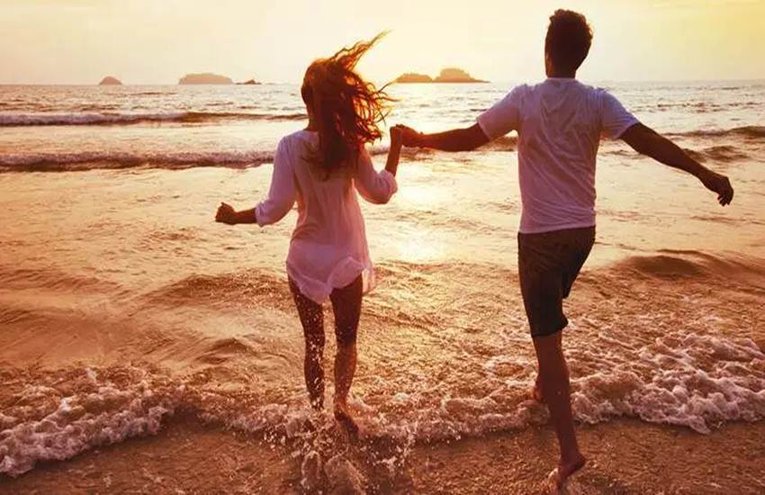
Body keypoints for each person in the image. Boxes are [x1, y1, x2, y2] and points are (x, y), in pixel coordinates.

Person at [398, 9, 734, 487]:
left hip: (539, 240)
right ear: (580, 56)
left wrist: (420, 140)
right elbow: (646, 141)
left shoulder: (526, 99)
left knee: (548, 340)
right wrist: (704, 173)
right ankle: (543, 385)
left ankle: (570, 452)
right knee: (549, 321)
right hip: (582, 236)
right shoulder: (598, 101)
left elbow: (471, 138)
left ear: (547, 52)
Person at [215, 34, 404, 439]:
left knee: (313, 343)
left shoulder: (289, 146)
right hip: (346, 259)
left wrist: (234, 218)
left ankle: (316, 415)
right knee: (346, 341)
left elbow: (275, 208)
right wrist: (397, 149)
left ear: (306, 98)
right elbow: (380, 193)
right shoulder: (350, 145)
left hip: (304, 260)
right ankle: (341, 403)